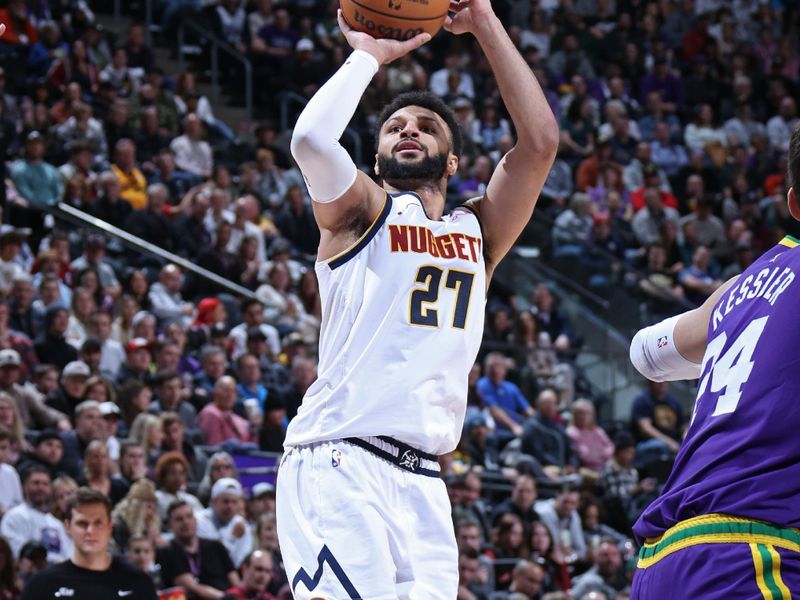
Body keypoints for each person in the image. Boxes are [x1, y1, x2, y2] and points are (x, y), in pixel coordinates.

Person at [277, 1, 558, 597]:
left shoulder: (477, 232)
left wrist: (484, 21)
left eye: (427, 127)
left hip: (423, 480)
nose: (410, 130)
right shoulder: (360, 213)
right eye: (395, 126)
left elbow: (539, 144)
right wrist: (368, 56)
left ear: (452, 160)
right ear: (376, 159)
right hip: (340, 458)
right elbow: (309, 139)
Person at [627, 122, 800, 597]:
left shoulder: (741, 287)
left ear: (792, 204)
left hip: (663, 560)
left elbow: (644, 354)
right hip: (753, 554)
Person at [20, 487, 157, 599]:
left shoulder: (138, 582)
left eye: (98, 523)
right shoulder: (43, 585)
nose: (90, 531)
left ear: (110, 526)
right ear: (68, 527)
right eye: (82, 523)